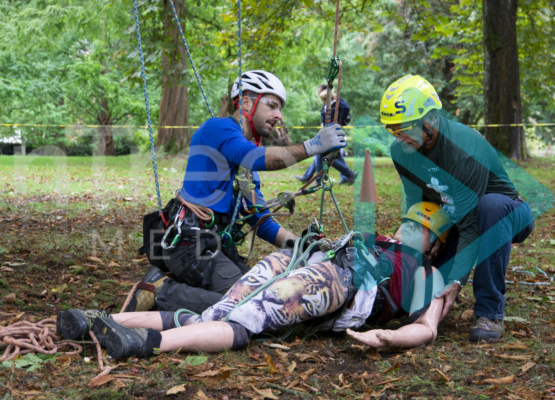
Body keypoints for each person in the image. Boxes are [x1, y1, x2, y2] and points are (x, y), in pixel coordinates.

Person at [56, 202, 449, 358]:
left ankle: (146, 343)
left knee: (243, 321)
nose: (410, 231)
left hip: (343, 285)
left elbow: (429, 326)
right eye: (408, 223)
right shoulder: (381, 240)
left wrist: (391, 337)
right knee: (218, 308)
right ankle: (97, 322)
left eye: (422, 230)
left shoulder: (431, 273)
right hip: (310, 258)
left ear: (434, 245)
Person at [128, 70, 348, 316]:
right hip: (190, 243)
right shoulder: (219, 129)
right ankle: (160, 290)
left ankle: (181, 288)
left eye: (280, 108)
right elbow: (255, 158)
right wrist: (314, 145)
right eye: (272, 105)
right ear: (245, 103)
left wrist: (301, 245)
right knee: (251, 305)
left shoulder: (246, 163)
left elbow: (260, 221)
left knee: (268, 295)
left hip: (214, 245)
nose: (279, 115)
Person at [380, 74, 535, 342]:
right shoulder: (400, 151)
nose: (398, 137)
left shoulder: (463, 147)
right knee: (420, 260)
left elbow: (471, 225)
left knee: (490, 206)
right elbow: (416, 201)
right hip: (459, 214)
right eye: (392, 129)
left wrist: (457, 281)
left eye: (403, 128)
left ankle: (489, 311)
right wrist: (426, 235)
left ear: (429, 120)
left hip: (508, 212)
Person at [295, 84, 358, 185]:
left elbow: (346, 108)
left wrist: (341, 122)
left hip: (333, 133)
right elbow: (324, 118)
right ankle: (347, 175)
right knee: (324, 156)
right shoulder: (326, 105)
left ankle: (320, 180)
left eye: (323, 98)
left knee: (324, 156)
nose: (322, 101)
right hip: (327, 132)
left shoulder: (337, 103)